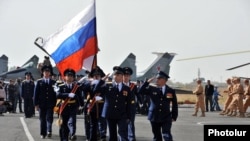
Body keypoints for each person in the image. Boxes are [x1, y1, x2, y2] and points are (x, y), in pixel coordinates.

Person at [139, 71, 178, 141]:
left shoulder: (170, 90)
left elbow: (175, 104)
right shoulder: (152, 88)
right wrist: (147, 82)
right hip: (154, 116)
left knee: (167, 134)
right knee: (157, 137)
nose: (157, 80)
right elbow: (140, 91)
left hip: (166, 116)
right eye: (157, 78)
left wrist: (174, 116)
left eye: (159, 78)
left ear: (164, 80)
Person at [101, 66, 132, 141]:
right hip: (110, 114)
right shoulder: (107, 86)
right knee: (112, 135)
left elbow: (129, 104)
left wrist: (129, 116)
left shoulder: (126, 88)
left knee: (122, 133)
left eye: (118, 75)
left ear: (122, 76)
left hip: (122, 114)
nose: (115, 76)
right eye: (114, 74)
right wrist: (101, 81)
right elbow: (96, 90)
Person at [56, 68, 84, 141]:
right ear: (65, 77)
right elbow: (58, 95)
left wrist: (82, 105)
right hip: (63, 107)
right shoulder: (61, 86)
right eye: (68, 76)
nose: (70, 77)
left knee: (72, 121)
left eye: (71, 76)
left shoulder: (76, 87)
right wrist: (68, 94)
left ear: (73, 77)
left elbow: (80, 97)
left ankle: (72, 134)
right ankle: (64, 138)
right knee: (63, 125)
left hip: (73, 107)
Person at [83, 66, 107, 141]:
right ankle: (91, 138)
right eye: (95, 76)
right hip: (92, 107)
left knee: (102, 123)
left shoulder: (104, 84)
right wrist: (87, 81)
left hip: (102, 106)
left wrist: (102, 97)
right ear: (92, 76)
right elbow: (83, 89)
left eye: (98, 76)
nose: (96, 77)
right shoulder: (89, 84)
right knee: (92, 125)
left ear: (100, 76)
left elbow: (106, 94)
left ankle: (102, 136)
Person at [34, 65, 57, 139]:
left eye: (48, 72)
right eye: (45, 72)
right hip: (42, 104)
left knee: (49, 118)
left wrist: (56, 103)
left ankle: (49, 131)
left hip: (51, 103)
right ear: (43, 73)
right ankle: (43, 133)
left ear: (50, 73)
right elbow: (36, 94)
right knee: (42, 119)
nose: (46, 73)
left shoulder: (54, 82)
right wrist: (36, 104)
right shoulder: (39, 82)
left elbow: (56, 94)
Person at [123, 67, 141, 141]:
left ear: (130, 76)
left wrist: (141, 103)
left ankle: (131, 138)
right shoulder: (120, 85)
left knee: (131, 122)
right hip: (122, 107)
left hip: (131, 107)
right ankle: (124, 137)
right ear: (122, 76)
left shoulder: (133, 86)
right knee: (123, 123)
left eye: (128, 75)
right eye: (125, 75)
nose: (126, 77)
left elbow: (138, 94)